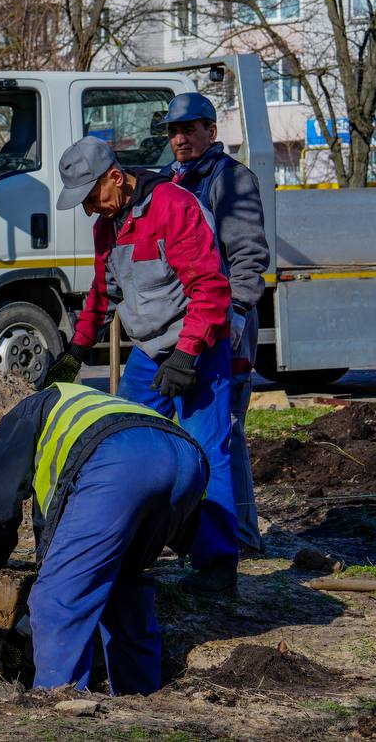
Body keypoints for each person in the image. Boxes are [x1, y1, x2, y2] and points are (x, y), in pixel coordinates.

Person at [47, 136, 238, 595]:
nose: (91, 209)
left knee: (207, 450)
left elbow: (211, 290)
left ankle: (217, 566)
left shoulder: (173, 206)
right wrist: (76, 349)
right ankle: (131, 546)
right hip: (151, 352)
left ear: (116, 177)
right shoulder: (108, 227)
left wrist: (188, 354)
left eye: (93, 197)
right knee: (123, 444)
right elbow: (102, 292)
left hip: (200, 348)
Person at [0, 383, 208, 695]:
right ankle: (140, 698)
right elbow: (56, 518)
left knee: (57, 600)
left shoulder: (25, 415)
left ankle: (58, 703)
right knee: (124, 585)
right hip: (187, 460)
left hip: (120, 459)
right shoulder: (83, 406)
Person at [163, 92, 270, 555]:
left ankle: (241, 534)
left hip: (226, 323)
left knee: (226, 430)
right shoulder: (176, 181)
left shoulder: (230, 180)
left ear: (212, 131)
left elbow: (247, 256)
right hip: (187, 323)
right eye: (173, 131)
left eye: (190, 129)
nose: (181, 138)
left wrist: (239, 315)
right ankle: (202, 531)